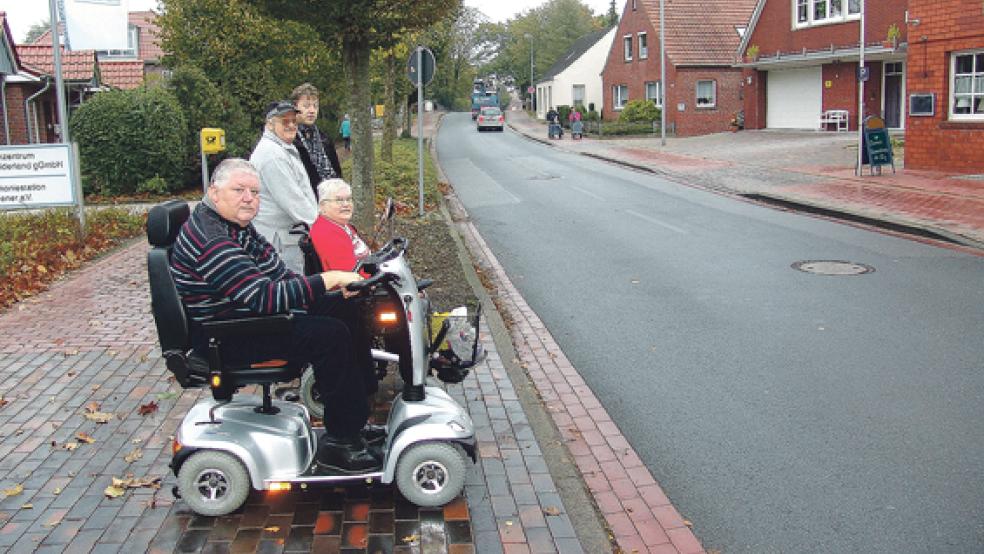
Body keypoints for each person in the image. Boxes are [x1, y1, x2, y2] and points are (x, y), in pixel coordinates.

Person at [169, 158, 381, 473]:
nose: (248, 198)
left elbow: (277, 273)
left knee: (346, 307)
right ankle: (341, 441)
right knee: (329, 335)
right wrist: (328, 279)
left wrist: (330, 291)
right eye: (239, 190)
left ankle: (355, 419)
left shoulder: (235, 226)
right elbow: (263, 297)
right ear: (214, 193)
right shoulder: (211, 239)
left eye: (254, 192)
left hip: (246, 316)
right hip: (229, 333)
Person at [250, 101, 316, 274]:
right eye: (285, 121)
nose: (292, 125)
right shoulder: (272, 155)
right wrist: (323, 228)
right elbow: (294, 201)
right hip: (277, 242)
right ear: (270, 124)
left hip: (287, 238)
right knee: (289, 292)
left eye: (294, 121)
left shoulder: (283, 148)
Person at [290, 83, 343, 198]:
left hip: (330, 198)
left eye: (315, 106)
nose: (312, 110)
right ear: (295, 107)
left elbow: (336, 170)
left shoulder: (324, 138)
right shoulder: (290, 141)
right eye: (306, 106)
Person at [310, 178, 370, 274]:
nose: (346, 204)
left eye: (348, 199)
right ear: (323, 205)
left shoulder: (342, 225)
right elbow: (350, 277)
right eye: (339, 200)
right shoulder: (327, 232)